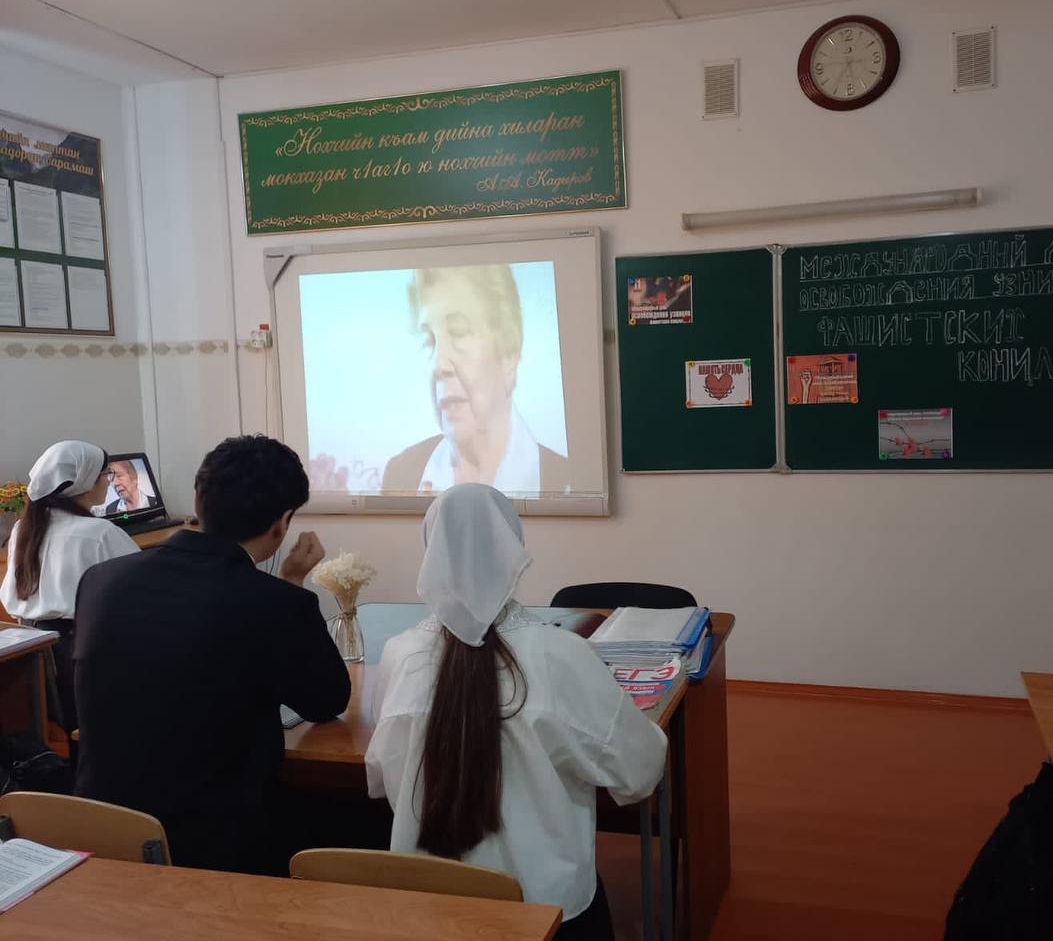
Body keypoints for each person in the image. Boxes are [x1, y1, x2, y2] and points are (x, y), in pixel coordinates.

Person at [366, 483, 667, 939]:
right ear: (513, 549)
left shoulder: (400, 654)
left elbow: (379, 777)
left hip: (429, 912)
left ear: (431, 554)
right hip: (549, 913)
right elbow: (639, 770)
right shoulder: (561, 654)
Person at [74, 435, 351, 874]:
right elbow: (327, 699)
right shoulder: (277, 603)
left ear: (199, 500)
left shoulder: (100, 580)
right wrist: (291, 585)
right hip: (216, 848)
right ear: (283, 522)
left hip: (101, 832)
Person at [380, 265, 571, 495]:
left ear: (509, 353)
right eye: (429, 341)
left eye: (459, 332)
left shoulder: (567, 481)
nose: (438, 365)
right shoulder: (401, 475)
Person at [1, 441, 138, 734]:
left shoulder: (23, 529)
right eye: (105, 474)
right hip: (88, 656)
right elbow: (141, 591)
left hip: (35, 657)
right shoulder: (100, 533)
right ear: (85, 482)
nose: (108, 482)